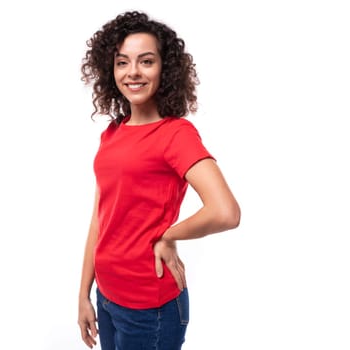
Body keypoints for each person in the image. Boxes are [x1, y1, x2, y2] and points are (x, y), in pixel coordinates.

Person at [77, 10, 241, 350]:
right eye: (122, 62)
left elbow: (226, 211)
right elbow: (100, 218)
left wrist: (168, 235)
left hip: (149, 308)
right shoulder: (112, 133)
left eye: (146, 61)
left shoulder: (175, 134)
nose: (133, 72)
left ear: (165, 69)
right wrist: (84, 294)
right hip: (106, 296)